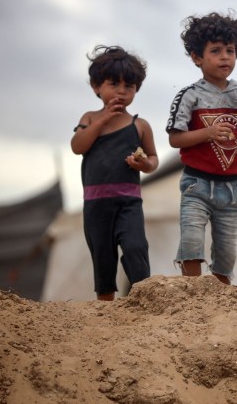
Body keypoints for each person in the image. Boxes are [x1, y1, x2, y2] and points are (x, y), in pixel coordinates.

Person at [166, 10, 237, 284]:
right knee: (191, 240)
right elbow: (175, 139)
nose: (225, 57)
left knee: (226, 252)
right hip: (196, 184)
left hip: (233, 188)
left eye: (230, 50)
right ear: (196, 57)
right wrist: (208, 133)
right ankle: (193, 291)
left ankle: (220, 300)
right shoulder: (190, 95)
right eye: (216, 51)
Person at [71, 45, 159, 301]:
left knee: (136, 247)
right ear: (96, 87)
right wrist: (102, 120)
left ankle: (144, 299)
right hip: (96, 204)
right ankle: (106, 310)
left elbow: (153, 159)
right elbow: (77, 146)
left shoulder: (139, 125)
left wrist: (144, 165)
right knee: (103, 256)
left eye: (128, 86)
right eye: (113, 84)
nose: (121, 91)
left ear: (136, 89)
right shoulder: (90, 119)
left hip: (129, 202)